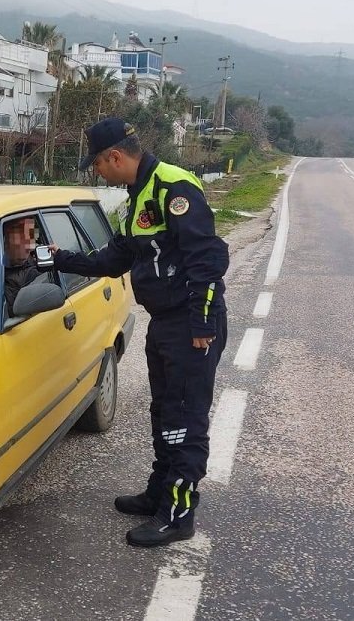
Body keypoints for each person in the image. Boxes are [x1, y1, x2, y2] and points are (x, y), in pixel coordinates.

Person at [48, 117, 229, 547]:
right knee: (164, 412)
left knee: (185, 419)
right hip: (164, 323)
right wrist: (61, 259)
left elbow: (207, 257)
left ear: (114, 156)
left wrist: (202, 323)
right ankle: (159, 492)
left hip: (190, 325)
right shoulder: (139, 196)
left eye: (97, 165)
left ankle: (178, 514)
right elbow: (118, 258)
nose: (97, 173)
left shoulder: (173, 187)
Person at [3, 216, 44, 317]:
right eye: (21, 235)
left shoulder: (35, 272)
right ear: (5, 238)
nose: (29, 244)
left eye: (31, 235)